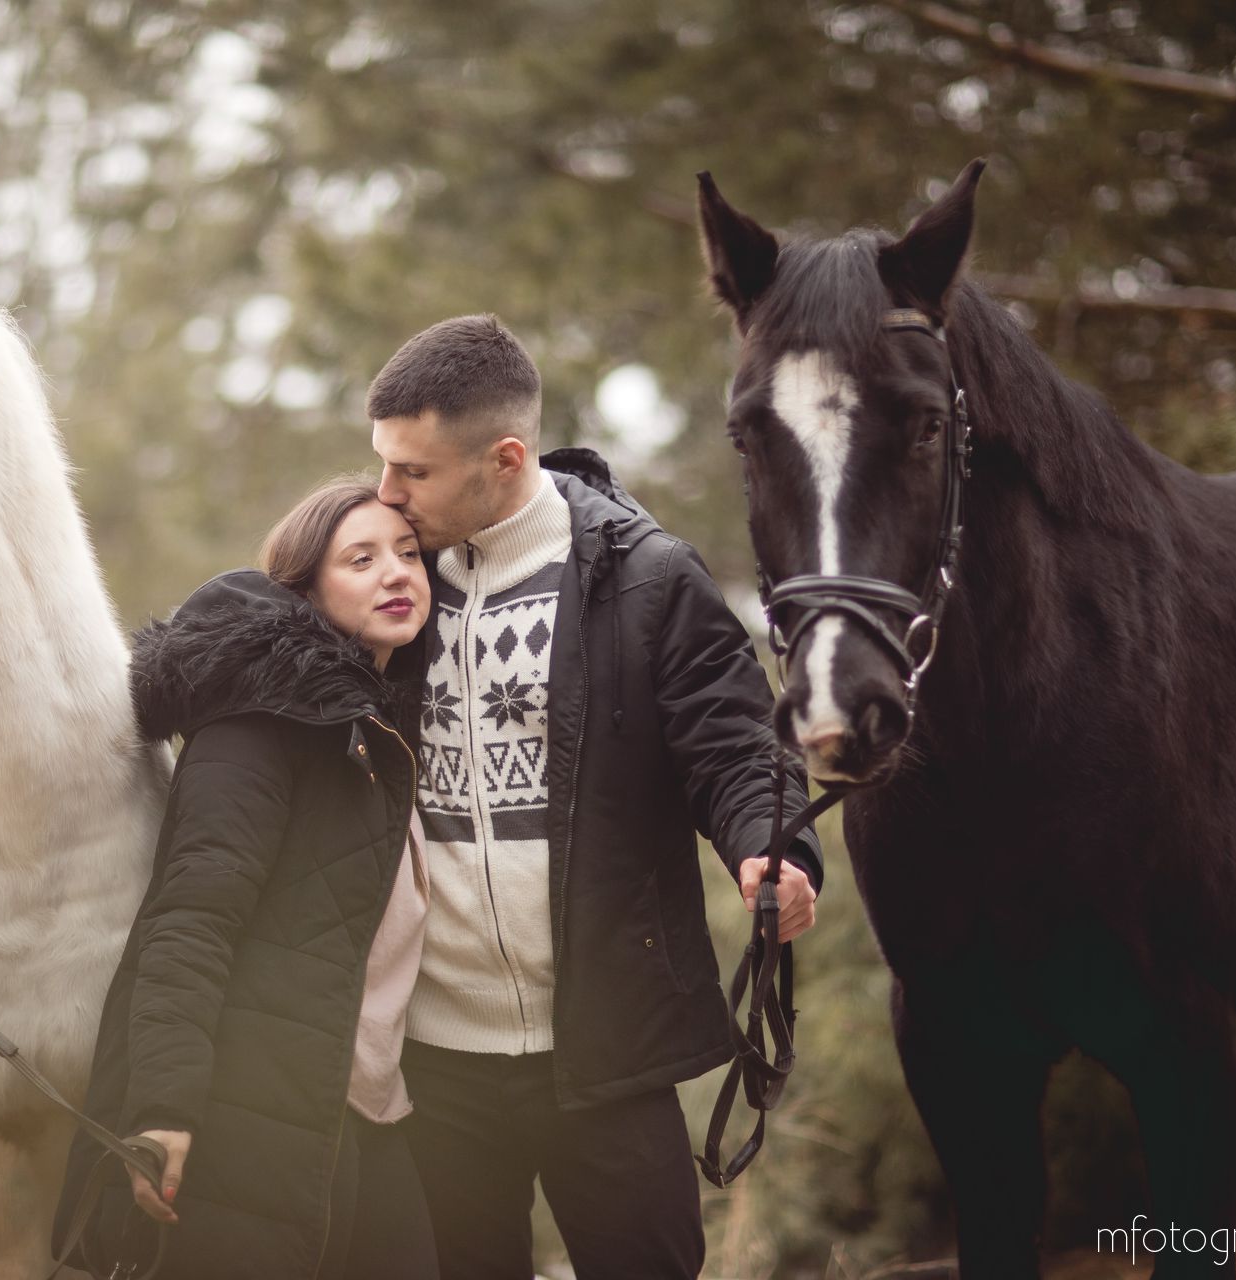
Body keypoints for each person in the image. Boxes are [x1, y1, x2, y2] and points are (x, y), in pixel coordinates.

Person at [366, 314, 824, 1280]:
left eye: (413, 471)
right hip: (434, 1059)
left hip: (607, 1050)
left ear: (504, 459)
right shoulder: (389, 583)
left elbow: (737, 746)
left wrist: (771, 849)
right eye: (383, 464)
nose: (386, 492)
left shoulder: (648, 578)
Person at [55, 479, 439, 1280]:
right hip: (248, 1117)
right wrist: (162, 1108)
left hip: (368, 1111)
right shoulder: (257, 728)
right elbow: (191, 918)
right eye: (361, 559)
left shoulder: (381, 729)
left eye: (408, 554)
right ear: (305, 591)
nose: (396, 574)